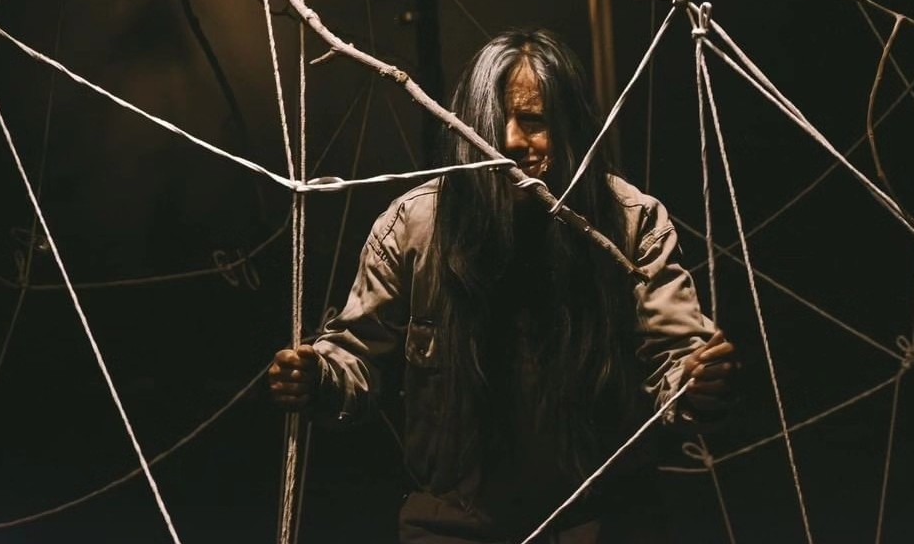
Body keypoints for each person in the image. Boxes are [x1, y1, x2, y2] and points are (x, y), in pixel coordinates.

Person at [268, 28, 737, 543]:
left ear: (572, 124)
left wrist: (700, 383)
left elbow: (678, 361)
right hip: (452, 524)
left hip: (601, 522)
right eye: (493, 123)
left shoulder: (631, 223)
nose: (512, 141)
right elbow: (355, 355)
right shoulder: (413, 228)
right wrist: (318, 378)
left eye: (534, 120)